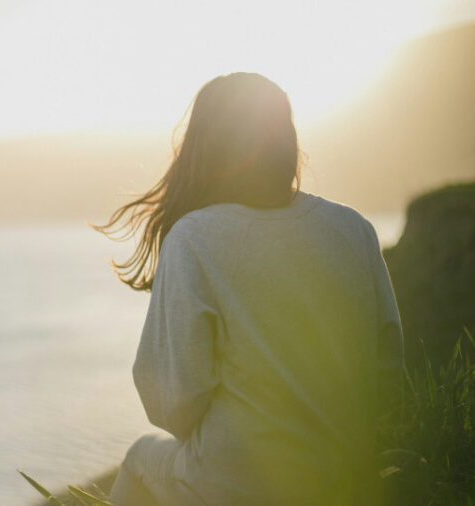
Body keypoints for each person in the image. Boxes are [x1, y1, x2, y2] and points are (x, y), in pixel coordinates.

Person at [91, 72, 406, 506]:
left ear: (204, 147)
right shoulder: (353, 228)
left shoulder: (194, 238)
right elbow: (388, 369)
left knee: (140, 460)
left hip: (238, 484)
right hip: (344, 476)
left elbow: (172, 403)